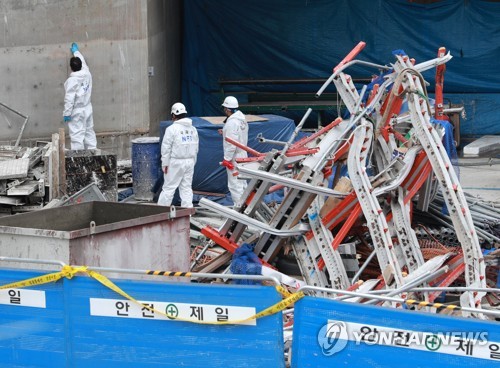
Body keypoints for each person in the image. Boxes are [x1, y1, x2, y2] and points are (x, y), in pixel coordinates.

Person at [158, 102, 199, 208]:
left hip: (175, 162)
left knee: (168, 189)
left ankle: (160, 212)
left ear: (173, 115)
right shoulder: (193, 129)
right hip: (189, 162)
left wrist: (165, 164)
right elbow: (196, 148)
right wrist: (193, 161)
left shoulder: (171, 129)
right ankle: (187, 214)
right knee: (186, 189)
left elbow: (166, 149)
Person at [63, 42, 97, 150]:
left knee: (77, 135)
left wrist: (67, 113)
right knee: (89, 132)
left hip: (77, 112)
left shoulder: (72, 80)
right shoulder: (87, 73)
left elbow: (69, 98)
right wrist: (76, 51)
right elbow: (81, 60)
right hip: (87, 108)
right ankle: (93, 154)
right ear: (81, 65)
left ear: (71, 67)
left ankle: (78, 159)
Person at [221, 96, 248, 205]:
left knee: (235, 185)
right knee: (242, 183)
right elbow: (238, 136)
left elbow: (231, 143)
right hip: (242, 154)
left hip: (234, 157)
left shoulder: (232, 123)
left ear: (227, 109)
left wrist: (226, 159)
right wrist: (224, 132)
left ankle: (239, 210)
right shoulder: (242, 120)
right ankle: (245, 206)